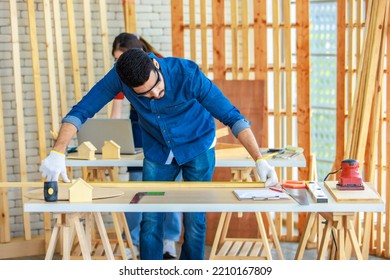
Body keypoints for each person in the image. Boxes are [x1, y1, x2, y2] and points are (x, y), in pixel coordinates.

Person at [39, 48, 278, 260]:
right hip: (158, 151)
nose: (155, 95)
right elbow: (82, 110)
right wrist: (58, 151)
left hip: (198, 147)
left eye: (157, 87)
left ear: (156, 65)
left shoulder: (188, 74)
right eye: (145, 94)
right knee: (151, 216)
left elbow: (233, 117)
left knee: (195, 219)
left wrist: (259, 159)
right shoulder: (119, 77)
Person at [110, 33, 182, 259]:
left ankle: (168, 242)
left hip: (168, 133)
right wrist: (109, 138)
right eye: (116, 60)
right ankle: (133, 243)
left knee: (170, 191)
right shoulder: (123, 73)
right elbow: (116, 112)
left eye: (121, 58)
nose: (119, 65)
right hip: (138, 131)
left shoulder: (162, 64)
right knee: (136, 191)